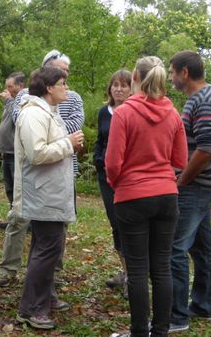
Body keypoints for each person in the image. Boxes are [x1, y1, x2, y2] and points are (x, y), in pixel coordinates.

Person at [106, 56, 188, 337]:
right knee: (162, 267)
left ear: (135, 80)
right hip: (166, 195)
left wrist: (119, 184)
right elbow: (180, 159)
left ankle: (140, 331)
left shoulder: (124, 114)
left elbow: (113, 163)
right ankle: (161, 332)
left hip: (132, 196)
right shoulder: (173, 114)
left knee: (138, 269)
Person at [0, 49, 84, 295]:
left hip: (62, 169)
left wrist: (61, 138)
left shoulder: (71, 97)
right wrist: (63, 140)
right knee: (19, 217)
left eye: (66, 71)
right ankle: (9, 269)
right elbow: (20, 118)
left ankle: (51, 272)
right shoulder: (28, 97)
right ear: (45, 74)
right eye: (58, 70)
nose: (63, 75)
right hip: (34, 169)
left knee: (57, 225)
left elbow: (75, 123)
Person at [15, 67, 84, 330]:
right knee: (47, 249)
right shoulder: (33, 114)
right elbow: (36, 154)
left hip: (52, 192)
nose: (66, 88)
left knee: (45, 247)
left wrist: (70, 144)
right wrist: (68, 143)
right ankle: (31, 309)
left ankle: (45, 296)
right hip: (43, 194)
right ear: (48, 88)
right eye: (62, 83)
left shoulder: (49, 112)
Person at [168, 51, 211, 333]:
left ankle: (177, 316)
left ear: (185, 73)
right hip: (204, 186)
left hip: (196, 187)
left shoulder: (203, 101)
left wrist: (181, 182)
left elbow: (206, 149)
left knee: (174, 248)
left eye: (172, 72)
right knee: (201, 248)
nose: (170, 78)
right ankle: (203, 306)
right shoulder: (205, 97)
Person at [93, 69, 132, 292]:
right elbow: (100, 140)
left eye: (123, 85)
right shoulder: (104, 112)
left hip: (127, 178)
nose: (118, 89)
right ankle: (125, 271)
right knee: (115, 223)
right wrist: (99, 159)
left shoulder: (133, 112)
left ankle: (134, 275)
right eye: (115, 84)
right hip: (105, 176)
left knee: (128, 223)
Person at [0, 72, 25, 207]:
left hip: (16, 153)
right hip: (7, 152)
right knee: (9, 188)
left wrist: (9, 100)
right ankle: (14, 218)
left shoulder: (23, 100)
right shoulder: (12, 101)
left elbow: (18, 120)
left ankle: (23, 222)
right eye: (6, 87)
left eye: (10, 86)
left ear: (20, 86)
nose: (7, 90)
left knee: (18, 188)